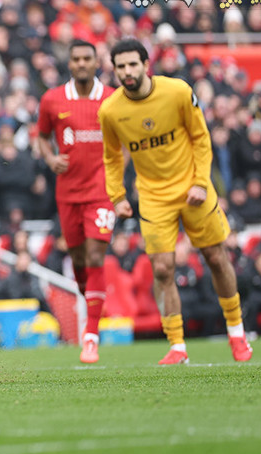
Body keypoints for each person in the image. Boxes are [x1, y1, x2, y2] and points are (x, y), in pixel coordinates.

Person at [98, 39, 252, 364]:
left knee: (214, 256)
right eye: (120, 66)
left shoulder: (177, 91)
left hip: (192, 187)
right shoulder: (110, 111)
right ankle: (177, 346)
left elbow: (200, 136)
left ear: (145, 64)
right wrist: (118, 197)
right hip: (153, 196)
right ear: (114, 70)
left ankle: (237, 332)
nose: (127, 71)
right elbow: (112, 157)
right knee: (163, 268)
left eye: (132, 64)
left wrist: (200, 182)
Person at [36, 39, 115, 363]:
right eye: (77, 59)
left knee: (96, 255)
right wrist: (50, 158)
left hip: (103, 191)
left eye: (87, 58)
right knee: (80, 262)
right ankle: (92, 297)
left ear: (97, 62)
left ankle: (91, 337)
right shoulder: (52, 99)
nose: (82, 63)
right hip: (68, 193)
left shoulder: (112, 99)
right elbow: (41, 135)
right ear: (69, 63)